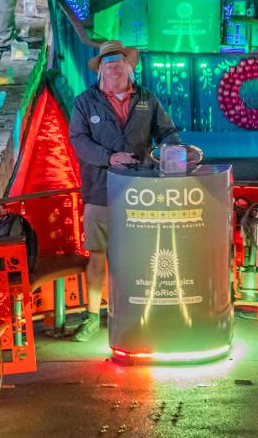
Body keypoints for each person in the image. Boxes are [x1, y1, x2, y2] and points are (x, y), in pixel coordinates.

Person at [68, 40, 183, 341]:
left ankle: (139, 311)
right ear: (100, 70)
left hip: (140, 190)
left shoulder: (148, 99)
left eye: (119, 62)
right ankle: (92, 315)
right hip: (99, 190)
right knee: (97, 254)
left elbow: (166, 131)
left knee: (141, 254)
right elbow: (78, 140)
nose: (114, 67)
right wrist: (109, 158)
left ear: (129, 67)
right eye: (108, 63)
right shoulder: (85, 102)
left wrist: (172, 148)